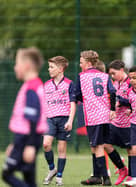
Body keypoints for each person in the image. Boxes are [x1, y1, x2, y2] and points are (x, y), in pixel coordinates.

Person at [2, 47, 48, 187]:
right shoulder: (32, 85)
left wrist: (29, 145)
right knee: (29, 179)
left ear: (27, 66)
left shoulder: (31, 88)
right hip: (26, 139)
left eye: (17, 64)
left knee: (7, 174)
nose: (15, 68)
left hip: (26, 139)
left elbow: (32, 119)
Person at [76, 50, 116, 186]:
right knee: (95, 146)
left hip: (93, 116)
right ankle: (96, 176)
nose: (79, 64)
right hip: (105, 115)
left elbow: (77, 95)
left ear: (88, 63)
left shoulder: (82, 76)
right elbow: (112, 92)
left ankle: (105, 178)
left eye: (81, 62)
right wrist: (112, 109)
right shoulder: (104, 76)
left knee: (97, 146)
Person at [43, 56, 76, 185]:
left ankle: (59, 177)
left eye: (52, 67)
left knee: (61, 149)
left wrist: (70, 121)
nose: (49, 69)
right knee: (46, 144)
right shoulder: (46, 85)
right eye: (49, 67)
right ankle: (52, 169)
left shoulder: (69, 84)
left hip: (64, 119)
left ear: (61, 69)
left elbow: (73, 103)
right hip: (49, 118)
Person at [106, 60, 131, 185]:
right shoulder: (115, 84)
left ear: (121, 70)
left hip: (128, 123)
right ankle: (122, 169)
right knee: (105, 144)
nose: (112, 76)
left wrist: (122, 102)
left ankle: (132, 176)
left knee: (130, 150)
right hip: (115, 122)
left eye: (113, 73)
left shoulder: (131, 82)